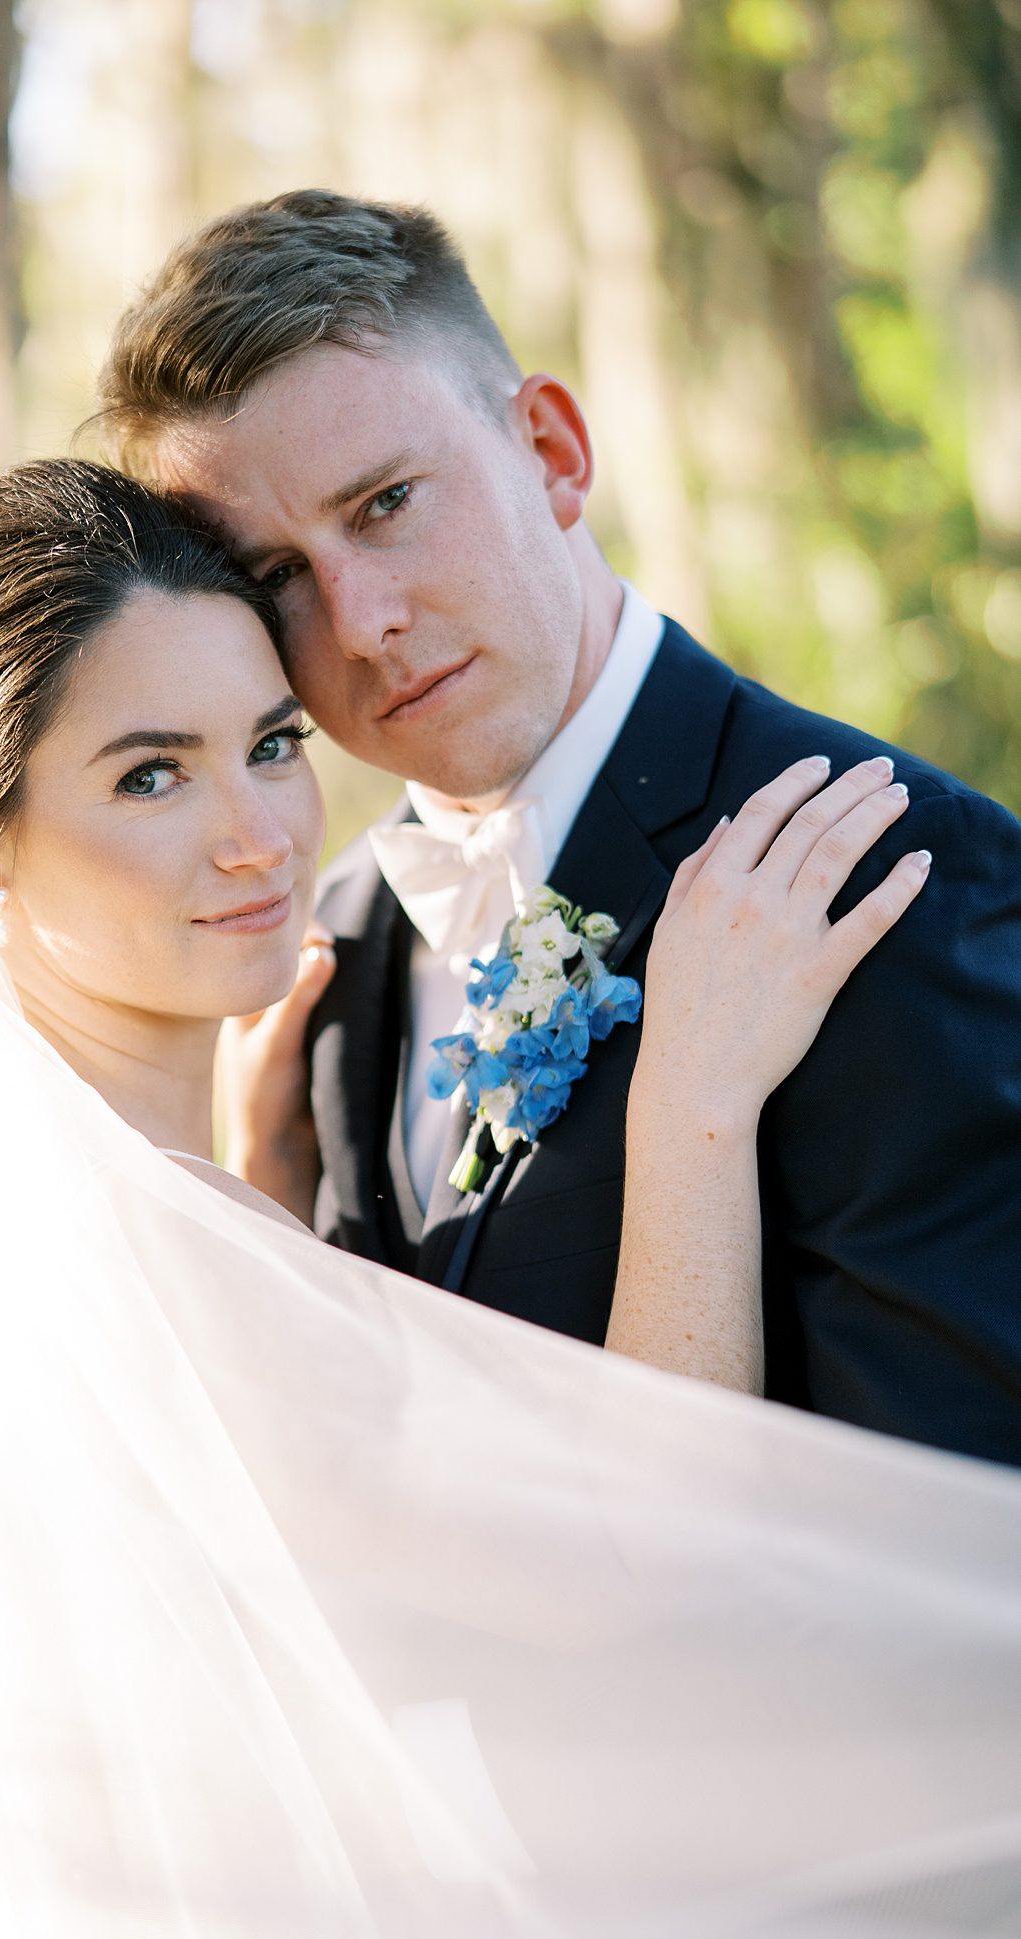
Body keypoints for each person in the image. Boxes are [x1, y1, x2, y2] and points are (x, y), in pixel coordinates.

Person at [0, 461, 1017, 1939]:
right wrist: (697, 1100)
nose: (255, 835)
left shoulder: (52, 1229)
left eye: (272, 743)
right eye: (149, 775)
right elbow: (641, 1571)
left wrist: (255, 1194)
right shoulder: (163, 1270)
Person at [95, 189, 1021, 1467]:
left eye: (384, 504)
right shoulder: (325, 949)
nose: (362, 621)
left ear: (553, 450)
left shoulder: (886, 878)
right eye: (275, 575)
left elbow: (952, 1546)